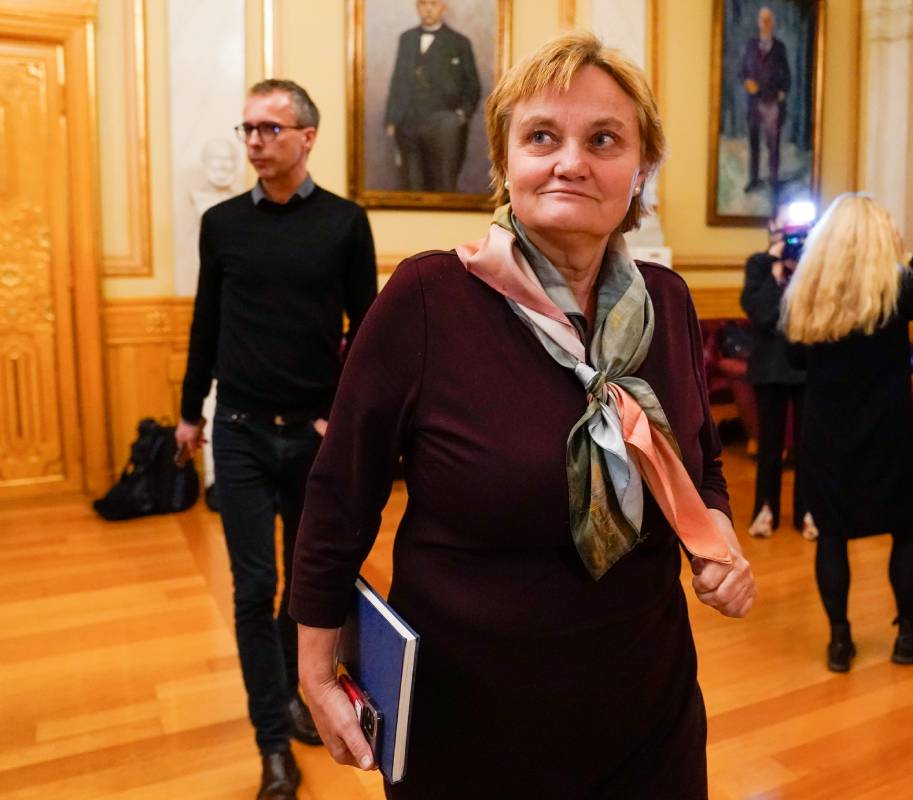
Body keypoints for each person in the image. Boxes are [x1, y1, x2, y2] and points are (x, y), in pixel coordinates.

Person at [290, 32, 756, 798]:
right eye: (543, 137)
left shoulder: (668, 304)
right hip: (470, 723)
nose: (571, 162)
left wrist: (717, 536)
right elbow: (340, 496)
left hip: (648, 709)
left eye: (603, 140)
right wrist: (315, 670)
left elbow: (699, 461)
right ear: (505, 162)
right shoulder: (427, 301)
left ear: (640, 169)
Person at [175, 79, 379, 800]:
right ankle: (271, 742)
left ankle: (299, 695)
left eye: (270, 128)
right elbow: (206, 321)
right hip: (240, 433)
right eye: (249, 129)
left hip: (313, 437)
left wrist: (339, 420)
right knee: (253, 586)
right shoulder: (223, 224)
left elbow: (367, 333)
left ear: (307, 137)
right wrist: (189, 413)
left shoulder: (345, 224)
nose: (255, 142)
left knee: (305, 584)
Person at [782, 194, 913, 673]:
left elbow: (795, 360)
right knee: (906, 529)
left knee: (832, 536)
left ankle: (840, 642)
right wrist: (905, 255)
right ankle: (911, 636)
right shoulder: (895, 291)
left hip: (826, 435)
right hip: (888, 433)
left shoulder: (807, 292)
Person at [740, 206, 815, 539]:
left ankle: (807, 511)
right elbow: (761, 315)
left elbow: (817, 313)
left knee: (808, 446)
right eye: (788, 227)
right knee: (769, 447)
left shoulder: (814, 266)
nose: (794, 236)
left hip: (807, 366)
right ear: (774, 227)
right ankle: (765, 509)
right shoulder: (759, 264)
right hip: (770, 368)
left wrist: (799, 274)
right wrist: (774, 271)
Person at [384, 0, 482, 192]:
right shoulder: (407, 39)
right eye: (423, 4)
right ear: (417, 7)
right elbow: (398, 80)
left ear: (443, 7)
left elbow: (473, 86)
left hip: (443, 125)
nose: (428, 9)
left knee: (444, 183)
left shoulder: (459, 42)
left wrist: (460, 116)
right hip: (408, 124)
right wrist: (392, 119)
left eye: (433, 3)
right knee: (412, 186)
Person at [741, 6, 790, 196]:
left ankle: (773, 180)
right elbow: (742, 72)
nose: (766, 23)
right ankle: (753, 179)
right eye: (763, 20)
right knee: (754, 143)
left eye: (769, 20)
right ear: (759, 23)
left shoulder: (780, 48)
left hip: (772, 103)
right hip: (754, 102)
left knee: (773, 144)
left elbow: (787, 75)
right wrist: (747, 82)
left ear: (773, 23)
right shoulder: (750, 46)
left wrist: (782, 92)